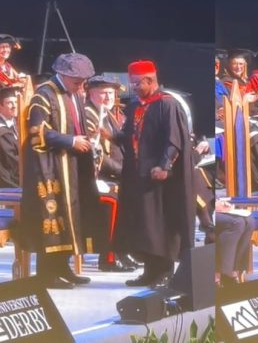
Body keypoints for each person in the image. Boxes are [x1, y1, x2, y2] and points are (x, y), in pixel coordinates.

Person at [18, 53, 101, 289]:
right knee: (53, 219)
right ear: (64, 75)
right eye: (78, 81)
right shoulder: (44, 95)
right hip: (50, 167)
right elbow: (37, 131)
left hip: (72, 166)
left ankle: (63, 267)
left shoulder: (74, 94)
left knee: (71, 216)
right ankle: (47, 274)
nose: (82, 86)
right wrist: (71, 141)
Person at [110, 60, 195, 288]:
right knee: (143, 226)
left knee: (161, 225)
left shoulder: (167, 104)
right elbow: (130, 135)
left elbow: (174, 140)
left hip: (160, 177)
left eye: (137, 83)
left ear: (149, 80)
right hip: (137, 175)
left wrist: (164, 166)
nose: (134, 88)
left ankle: (164, 272)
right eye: (132, 84)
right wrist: (110, 136)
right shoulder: (135, 105)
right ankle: (149, 271)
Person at [83, 75, 136, 273]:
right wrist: (123, 172)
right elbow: (95, 155)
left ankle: (125, 250)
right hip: (94, 177)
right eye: (103, 93)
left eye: (111, 93)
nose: (108, 97)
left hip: (115, 173)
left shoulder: (108, 114)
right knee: (113, 199)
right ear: (91, 94)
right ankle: (109, 257)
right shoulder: (89, 115)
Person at [215, 198, 255, 286]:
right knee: (237, 222)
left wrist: (221, 202)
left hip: (215, 208)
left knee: (250, 221)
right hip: (205, 211)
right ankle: (224, 274)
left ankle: (235, 271)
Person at [0, 85, 20, 188]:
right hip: (9, 181)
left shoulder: (15, 123)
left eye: (16, 102)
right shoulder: (1, 131)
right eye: (9, 103)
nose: (14, 106)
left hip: (18, 174)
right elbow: (11, 160)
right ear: (1, 106)